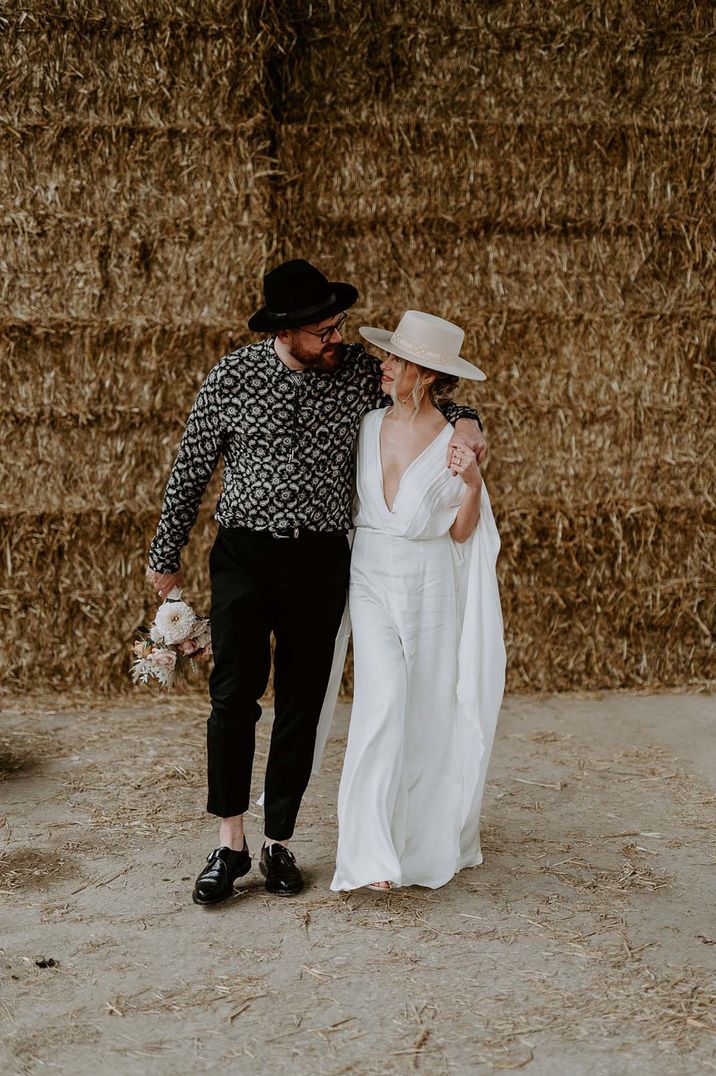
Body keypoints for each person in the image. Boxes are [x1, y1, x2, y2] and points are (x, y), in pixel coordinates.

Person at [144, 260, 486, 904]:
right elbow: (189, 470)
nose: (339, 337)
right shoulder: (233, 377)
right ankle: (229, 842)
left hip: (323, 562)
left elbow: (434, 399)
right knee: (233, 699)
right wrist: (165, 557)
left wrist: (470, 425)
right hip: (243, 557)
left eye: (340, 324)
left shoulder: (356, 372)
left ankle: (277, 841)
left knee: (303, 703)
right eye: (326, 329)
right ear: (288, 330)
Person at [327, 309, 506, 893]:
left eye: (396, 359)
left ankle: (423, 843)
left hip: (430, 582)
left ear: (424, 374)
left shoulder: (455, 441)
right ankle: (371, 854)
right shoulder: (365, 424)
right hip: (372, 575)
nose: (383, 365)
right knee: (380, 704)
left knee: (428, 709)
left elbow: (460, 534)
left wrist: (474, 483)